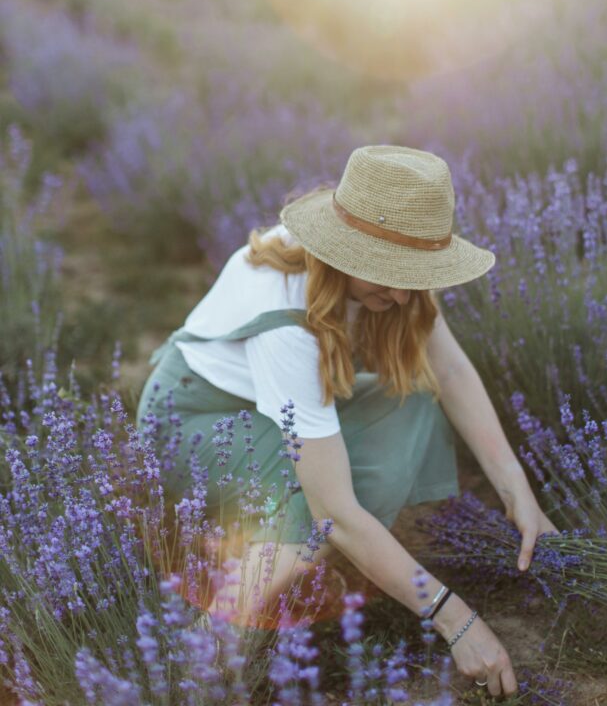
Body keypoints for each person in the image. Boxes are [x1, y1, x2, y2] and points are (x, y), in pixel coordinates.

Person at [136, 144, 557, 697]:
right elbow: (335, 511)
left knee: (410, 404)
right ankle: (222, 628)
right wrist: (457, 621)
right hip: (196, 422)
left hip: (265, 407)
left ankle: (293, 558)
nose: (404, 294)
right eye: (388, 275)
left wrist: (517, 491)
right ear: (346, 252)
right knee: (331, 503)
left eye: (414, 274)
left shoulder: (383, 268)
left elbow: (449, 371)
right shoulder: (286, 322)